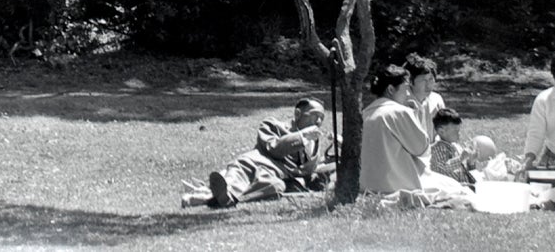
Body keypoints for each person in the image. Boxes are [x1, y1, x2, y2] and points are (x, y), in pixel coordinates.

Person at [181, 98, 333, 208]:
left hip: (279, 177)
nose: (318, 122)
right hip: (258, 163)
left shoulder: (315, 142)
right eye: (314, 116)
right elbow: (274, 149)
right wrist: (302, 137)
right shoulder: (273, 125)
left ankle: (211, 197)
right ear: (298, 113)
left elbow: (309, 169)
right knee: (243, 168)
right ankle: (220, 191)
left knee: (275, 187)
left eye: (321, 118)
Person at [360, 64, 471, 203]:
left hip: (367, 185)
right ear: (390, 89)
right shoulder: (398, 111)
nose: (408, 94)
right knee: (456, 188)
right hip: (395, 184)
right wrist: (414, 114)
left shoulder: (365, 113)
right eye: (406, 89)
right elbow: (422, 149)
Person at [404, 53, 445, 144]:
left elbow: (444, 130)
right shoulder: (403, 103)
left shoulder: (436, 100)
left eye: (431, 79)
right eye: (423, 80)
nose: (428, 85)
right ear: (410, 81)